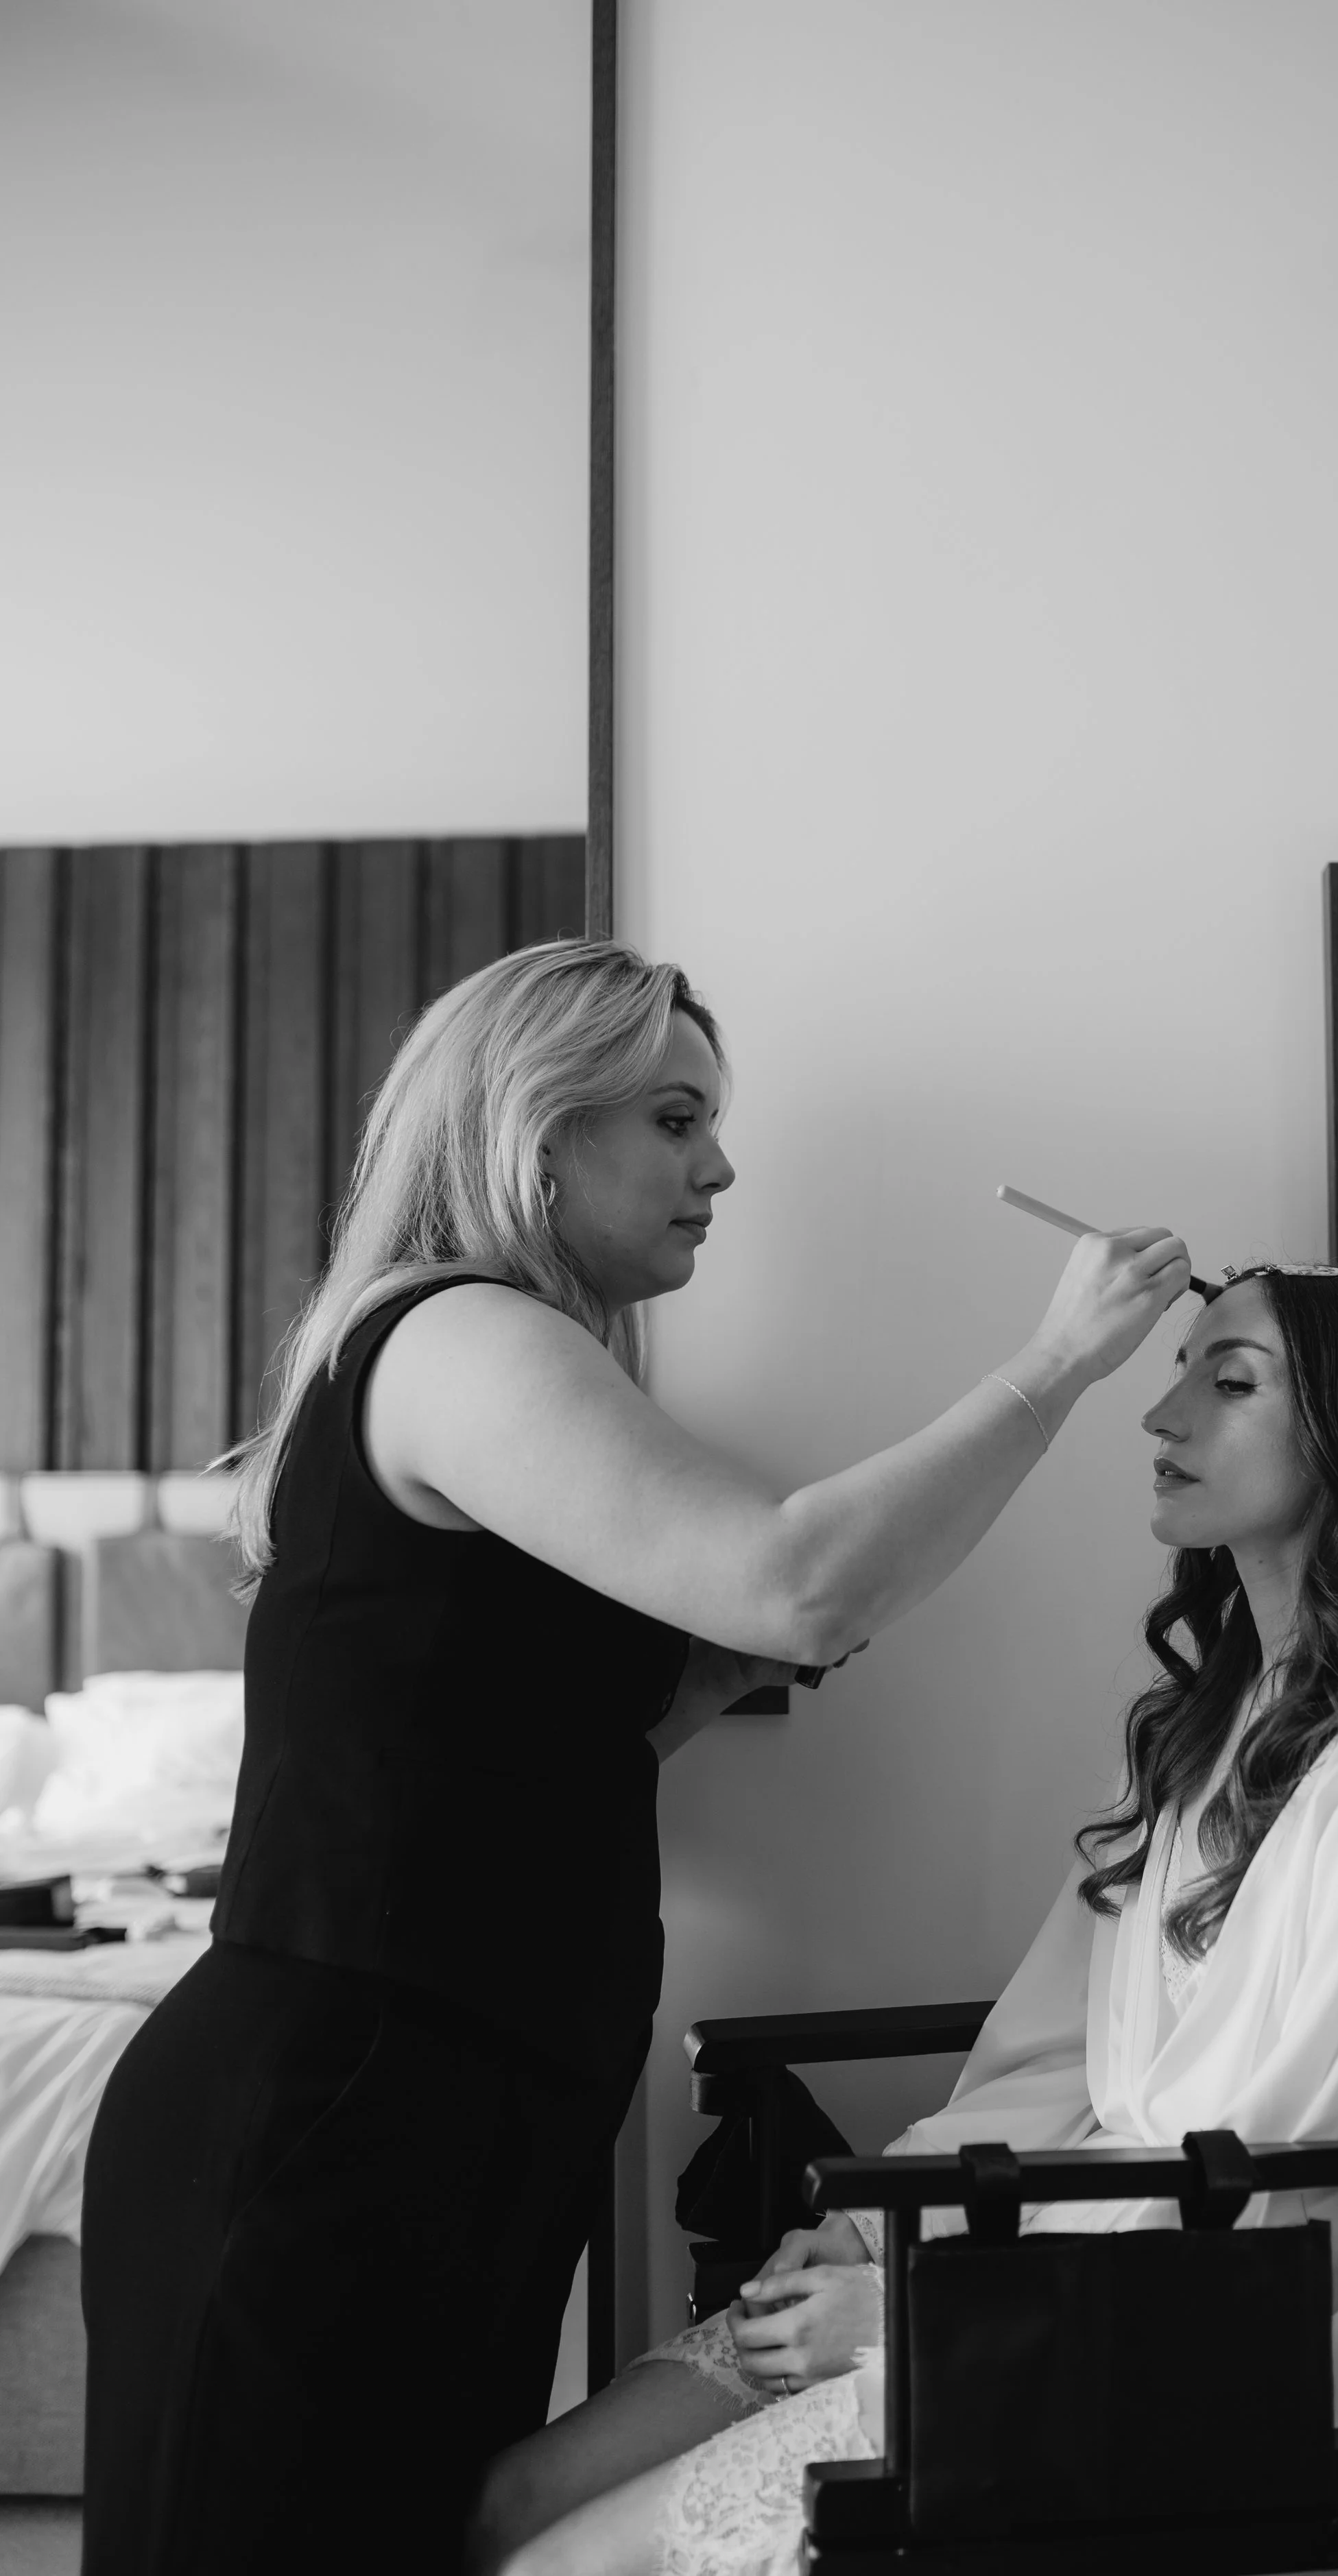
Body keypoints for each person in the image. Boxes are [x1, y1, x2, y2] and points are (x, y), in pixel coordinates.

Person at [76, 937, 1190, 2576]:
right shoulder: (458, 1337)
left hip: (440, 2131)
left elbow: (528, 1747)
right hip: (331, 2123)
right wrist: (1057, 1360)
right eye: (672, 1120)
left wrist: (707, 1672)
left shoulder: (532, 1365)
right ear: (538, 1131)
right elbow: (798, 1571)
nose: (718, 1167)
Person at [471, 1260, 1338, 2576]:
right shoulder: (1211, 1729)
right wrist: (878, 2229)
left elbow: (1291, 2186)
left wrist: (917, 2318)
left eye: (1229, 1380)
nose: (1164, 1414)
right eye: (1178, 1367)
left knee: (549, 2567)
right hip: (1039, 2260)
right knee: (508, 2503)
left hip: (1179, 2348)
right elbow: (1066, 2055)